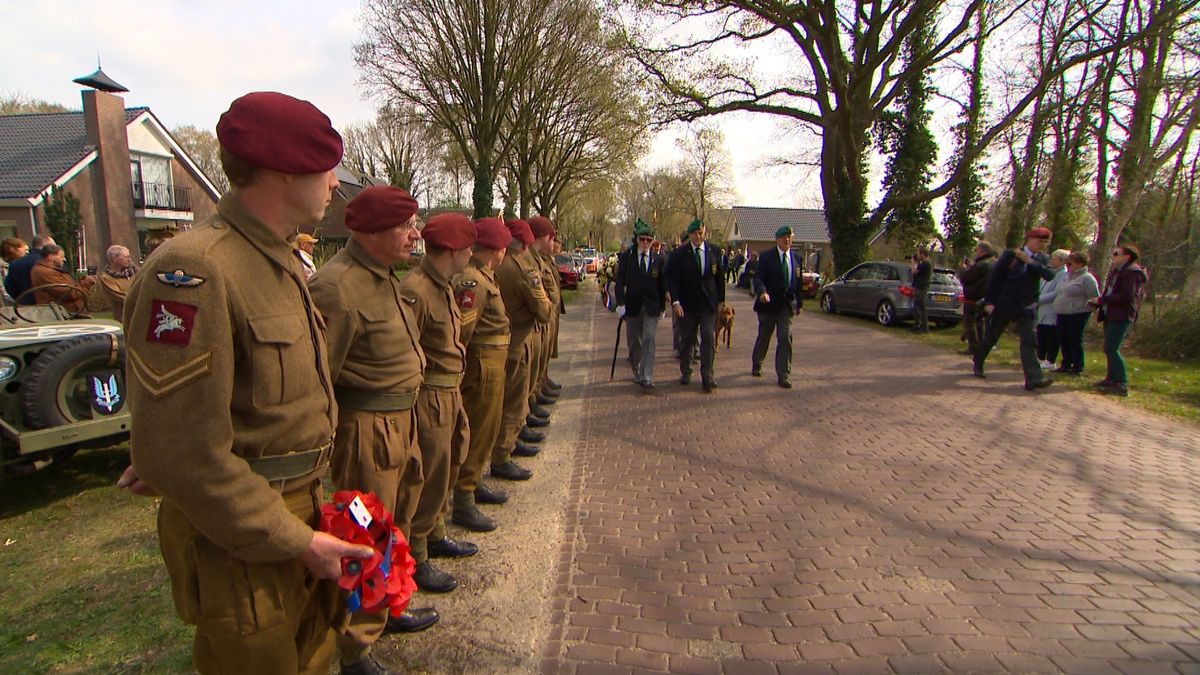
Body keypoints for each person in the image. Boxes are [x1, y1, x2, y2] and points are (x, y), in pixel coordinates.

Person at [119, 91, 375, 675]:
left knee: (311, 657)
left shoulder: (277, 260)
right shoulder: (197, 269)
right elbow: (181, 449)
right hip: (242, 538)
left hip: (299, 511)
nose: (334, 183)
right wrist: (297, 541)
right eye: (327, 166)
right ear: (284, 169)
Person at [308, 185, 437, 673]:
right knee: (366, 535)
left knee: (396, 523)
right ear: (369, 232)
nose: (414, 234)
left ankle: (387, 610)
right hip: (366, 432)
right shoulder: (336, 287)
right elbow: (322, 379)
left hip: (400, 423)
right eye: (404, 226)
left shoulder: (382, 277)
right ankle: (355, 648)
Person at [397, 213, 479, 593]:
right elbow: (405, 351)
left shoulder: (443, 284)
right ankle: (417, 554)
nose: (471, 254)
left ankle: (435, 531)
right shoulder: (417, 289)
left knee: (449, 463)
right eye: (468, 247)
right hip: (429, 395)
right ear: (452, 249)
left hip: (449, 390)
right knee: (427, 476)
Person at [452, 217, 514, 532]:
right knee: (476, 430)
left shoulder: (485, 276)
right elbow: (463, 330)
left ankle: (473, 483)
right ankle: (463, 497)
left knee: (487, 428)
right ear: (494, 249)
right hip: (480, 366)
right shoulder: (472, 281)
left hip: (492, 363)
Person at [491, 219, 551, 481]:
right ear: (526, 244)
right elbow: (544, 310)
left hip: (506, 341)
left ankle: (508, 444)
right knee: (514, 401)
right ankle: (503, 454)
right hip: (518, 341)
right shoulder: (519, 268)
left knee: (509, 400)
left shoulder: (501, 266)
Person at [973, 227, 1057, 390]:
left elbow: (1049, 275)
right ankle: (978, 360)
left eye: (1045, 242)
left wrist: (1030, 261)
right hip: (1005, 303)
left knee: (1029, 341)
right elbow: (996, 279)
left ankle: (1033, 379)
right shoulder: (1010, 255)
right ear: (1029, 240)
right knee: (992, 337)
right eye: (1040, 241)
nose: (1042, 245)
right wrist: (989, 302)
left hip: (1027, 306)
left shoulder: (1042, 259)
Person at [666, 219, 724, 392]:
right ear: (689, 235)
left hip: (708, 304)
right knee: (687, 339)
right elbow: (672, 279)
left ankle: (708, 375)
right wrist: (675, 301)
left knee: (708, 337)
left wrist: (720, 301)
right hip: (687, 305)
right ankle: (686, 370)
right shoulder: (679, 254)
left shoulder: (714, 251)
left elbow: (720, 277)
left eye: (701, 233)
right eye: (695, 234)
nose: (698, 236)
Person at [614, 218, 667, 391]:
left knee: (649, 338)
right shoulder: (627, 258)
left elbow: (662, 284)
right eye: (642, 239)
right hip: (633, 305)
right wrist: (620, 303)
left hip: (652, 306)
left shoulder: (658, 259)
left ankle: (647, 376)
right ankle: (637, 370)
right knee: (633, 341)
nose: (645, 243)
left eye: (649, 240)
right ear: (636, 240)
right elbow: (620, 282)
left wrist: (663, 307)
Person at [1091, 244, 1149, 397]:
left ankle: (1121, 383)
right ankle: (1111, 379)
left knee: (1112, 347)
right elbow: (1110, 290)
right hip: (1110, 313)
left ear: (1127, 256)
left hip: (1122, 315)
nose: (1113, 256)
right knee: (1108, 347)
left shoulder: (1132, 273)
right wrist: (1100, 302)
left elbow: (1127, 296)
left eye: (1116, 254)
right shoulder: (1117, 271)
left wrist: (1102, 300)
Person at [751, 226, 805, 388]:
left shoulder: (796, 258)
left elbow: (798, 282)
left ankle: (783, 374)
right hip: (768, 305)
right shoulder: (767, 257)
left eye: (789, 237)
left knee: (785, 338)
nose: (787, 240)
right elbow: (758, 278)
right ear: (777, 239)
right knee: (764, 337)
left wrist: (799, 303)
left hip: (785, 306)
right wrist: (761, 292)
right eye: (783, 237)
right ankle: (757, 363)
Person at [1053, 251, 1100, 376]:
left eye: (1071, 263)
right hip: (1063, 312)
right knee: (1063, 339)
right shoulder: (1067, 276)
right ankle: (1066, 364)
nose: (1068, 266)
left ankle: (1077, 365)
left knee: (1074, 339)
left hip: (1078, 314)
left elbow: (1094, 297)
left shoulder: (1087, 278)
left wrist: (1089, 308)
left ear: (1080, 264)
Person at [957, 242, 996, 356]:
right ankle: (981, 345)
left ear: (981, 251)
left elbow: (966, 278)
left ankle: (973, 347)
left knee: (970, 323)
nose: (975, 253)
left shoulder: (981, 265)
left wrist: (964, 270)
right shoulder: (994, 263)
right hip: (987, 297)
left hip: (974, 296)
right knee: (980, 323)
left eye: (976, 250)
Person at [30, 244, 95, 312]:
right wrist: (87, 283)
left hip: (69, 312)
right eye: (61, 257)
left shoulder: (53, 270)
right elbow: (69, 293)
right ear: (51, 257)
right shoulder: (45, 273)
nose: (64, 259)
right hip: (63, 314)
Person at [1035, 249, 1070, 369]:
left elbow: (1056, 292)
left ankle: (1050, 360)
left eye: (1055, 258)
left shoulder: (1064, 274)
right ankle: (1040, 357)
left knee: (1051, 334)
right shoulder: (1049, 271)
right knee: (1041, 333)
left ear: (1062, 261)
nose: (1051, 260)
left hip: (1051, 307)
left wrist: (1038, 299)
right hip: (1041, 307)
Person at [5, 233, 54, 304]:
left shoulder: (15, 264)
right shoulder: (52, 261)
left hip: (27, 308)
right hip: (53, 306)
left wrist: (23, 300)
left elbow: (10, 288)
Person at [98, 244, 137, 320]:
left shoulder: (133, 272)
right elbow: (121, 297)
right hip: (124, 319)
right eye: (126, 257)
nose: (129, 260)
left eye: (129, 257)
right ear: (114, 259)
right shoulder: (107, 278)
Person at [910, 247, 932, 333]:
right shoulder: (924, 263)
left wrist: (912, 263)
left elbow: (914, 271)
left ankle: (924, 327)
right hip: (919, 287)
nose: (917, 256)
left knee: (921, 308)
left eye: (918, 254)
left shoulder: (926, 263)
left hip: (921, 288)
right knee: (917, 307)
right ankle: (917, 325)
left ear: (923, 254)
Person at [1, 237, 29, 305]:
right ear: (13, 250)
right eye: (25, 250)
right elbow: (4, 292)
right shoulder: (2, 268)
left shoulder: (22, 265)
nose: (27, 253)